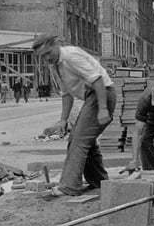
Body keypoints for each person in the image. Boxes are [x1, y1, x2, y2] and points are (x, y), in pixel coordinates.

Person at [32, 34, 117, 198]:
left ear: (56, 45)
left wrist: (103, 109)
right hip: (92, 97)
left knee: (78, 139)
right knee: (85, 139)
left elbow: (98, 79)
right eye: (42, 57)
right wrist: (63, 119)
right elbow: (66, 95)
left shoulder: (71, 56)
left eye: (48, 53)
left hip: (102, 94)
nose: (46, 58)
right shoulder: (54, 64)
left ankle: (69, 187)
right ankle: (99, 181)